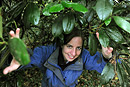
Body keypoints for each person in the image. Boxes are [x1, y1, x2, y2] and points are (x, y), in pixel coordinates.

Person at [3, 27, 113, 87]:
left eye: (78, 48)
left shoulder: (84, 56)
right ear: (62, 44)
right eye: (69, 46)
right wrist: (18, 56)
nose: (73, 53)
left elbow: (102, 66)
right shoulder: (47, 53)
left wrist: (106, 57)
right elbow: (32, 57)